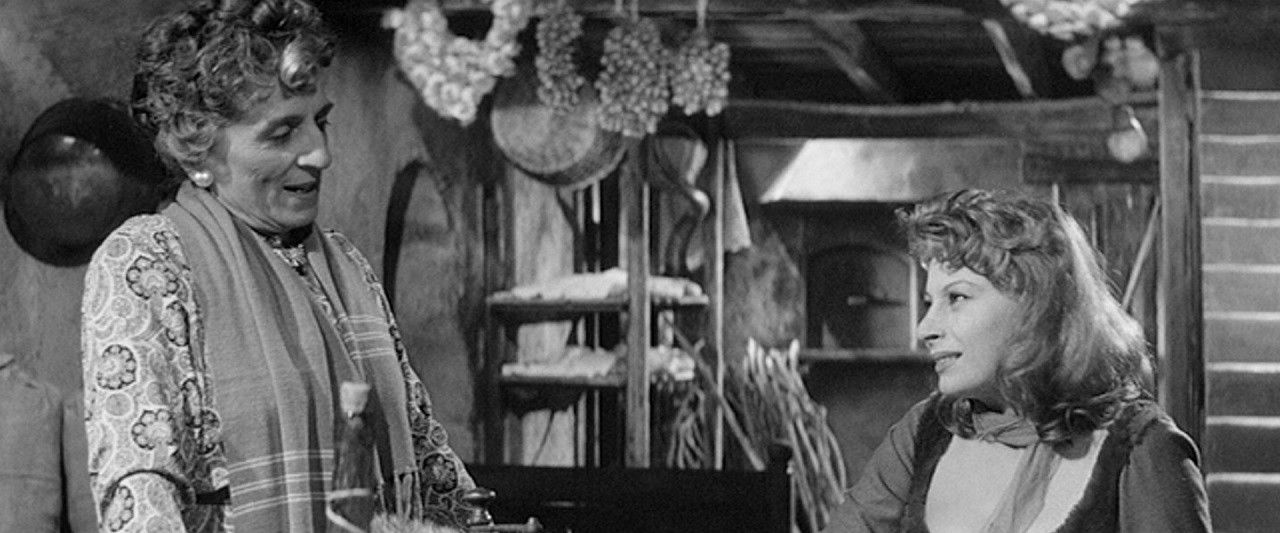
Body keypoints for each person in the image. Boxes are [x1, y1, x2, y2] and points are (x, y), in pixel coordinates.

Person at [81, 1, 474, 531]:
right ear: (198, 150)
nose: (320, 154)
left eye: (320, 122)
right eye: (282, 132)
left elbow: (430, 465)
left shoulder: (346, 267)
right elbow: (139, 492)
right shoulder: (149, 264)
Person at [823, 189, 1211, 532]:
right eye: (929, 302)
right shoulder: (925, 431)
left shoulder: (1140, 449)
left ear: (1033, 306)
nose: (925, 329)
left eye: (956, 298)